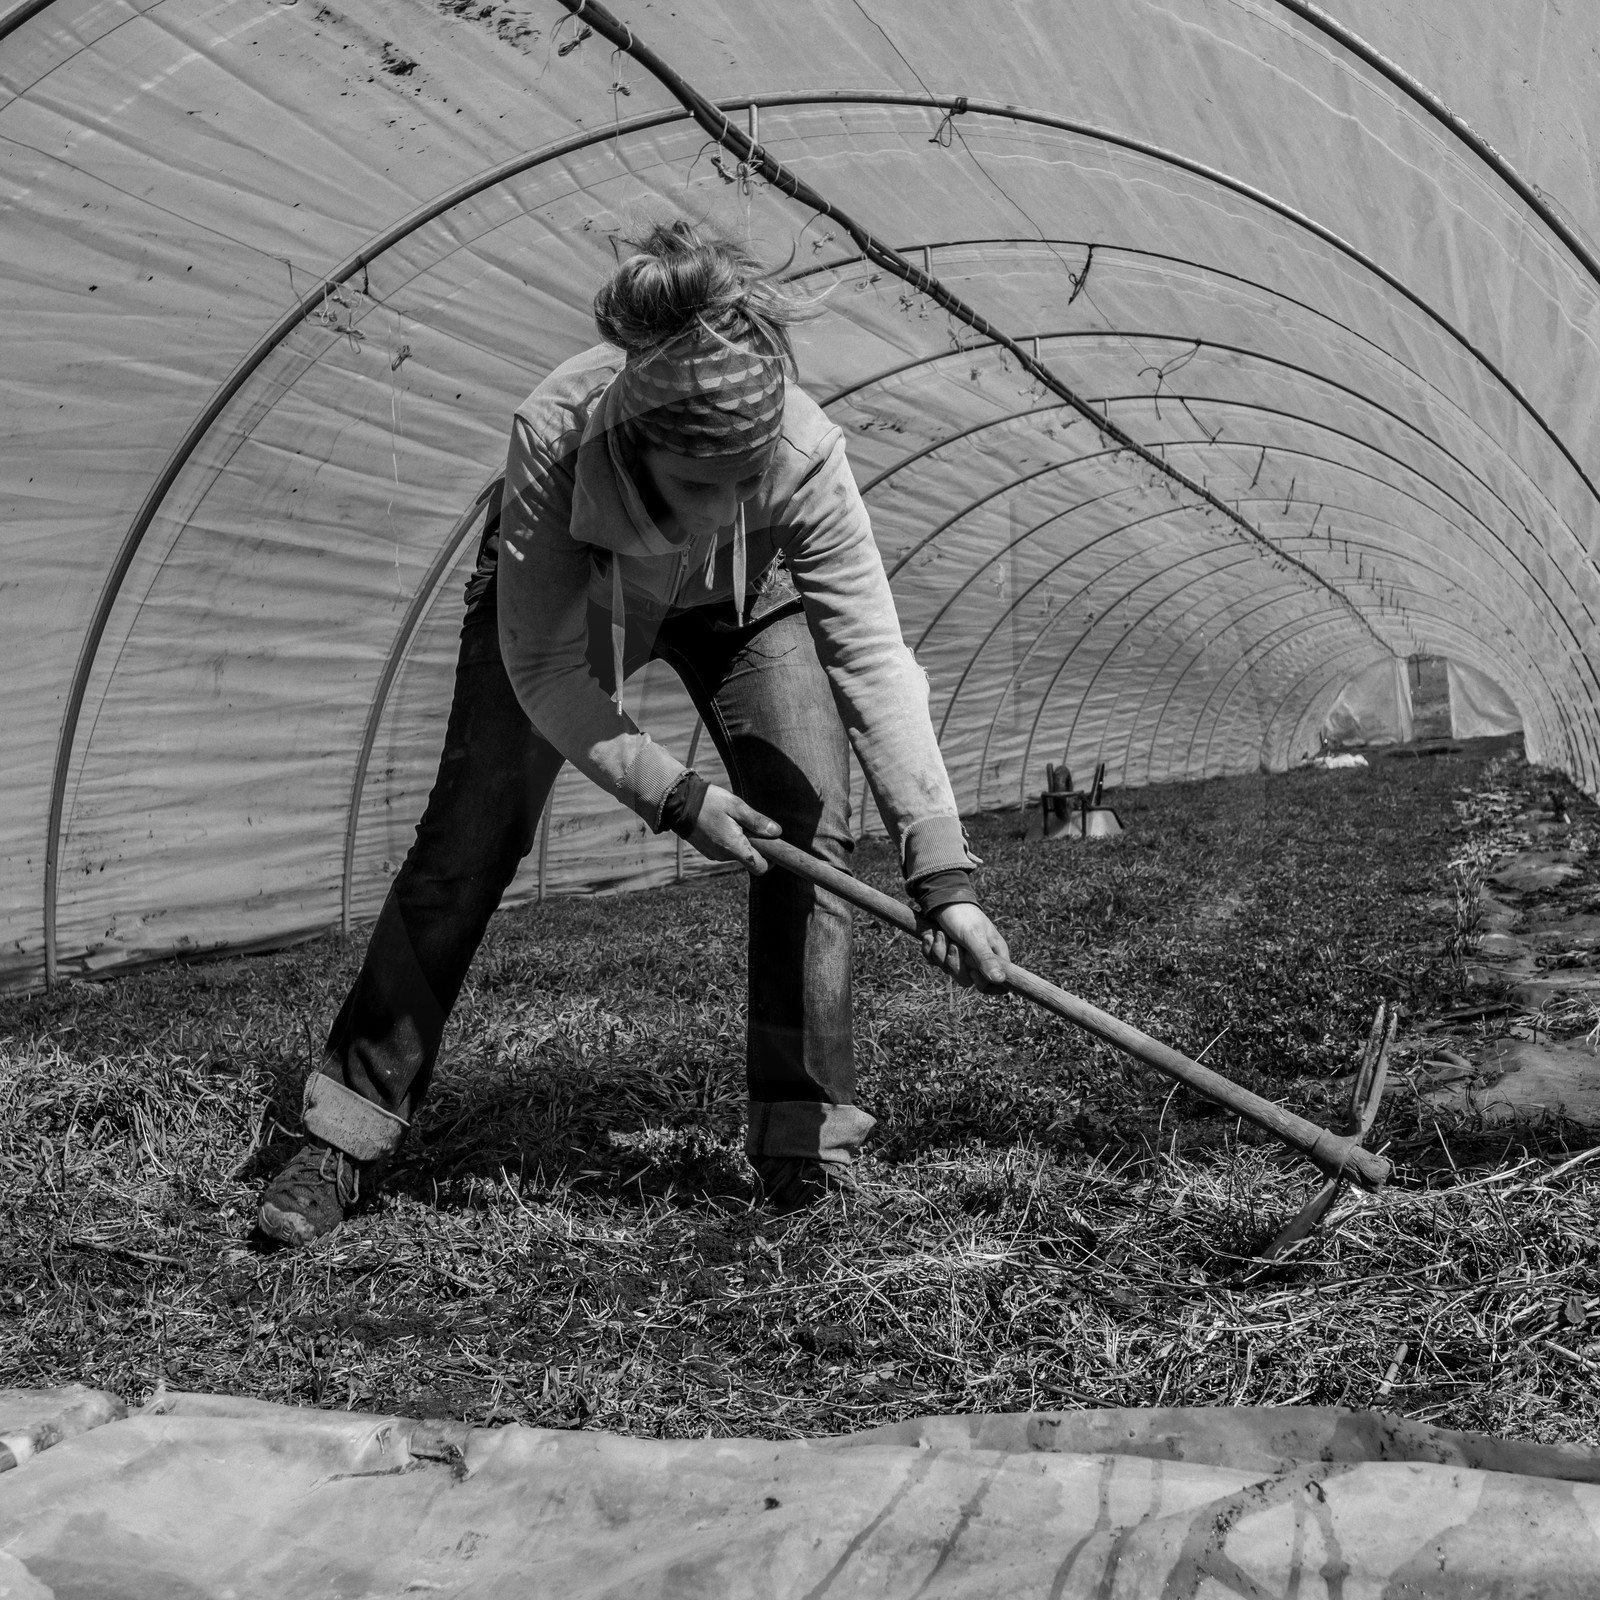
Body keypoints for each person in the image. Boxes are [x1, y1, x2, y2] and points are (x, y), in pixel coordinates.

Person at [255, 220, 1011, 1246]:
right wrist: (673, 791)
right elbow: (540, 669)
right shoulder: (556, 433)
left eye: (748, 481)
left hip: (748, 601)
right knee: (468, 837)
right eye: (703, 484)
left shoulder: (801, 453)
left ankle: (801, 1141)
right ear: (638, 443)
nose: (729, 502)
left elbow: (873, 659)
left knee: (806, 823)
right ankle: (341, 1131)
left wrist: (943, 877)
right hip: (583, 598)